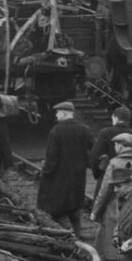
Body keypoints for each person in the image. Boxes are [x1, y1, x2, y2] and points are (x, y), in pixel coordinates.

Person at [36, 98, 92, 236]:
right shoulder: (84, 130)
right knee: (75, 206)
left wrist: (45, 171)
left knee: (57, 208)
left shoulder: (56, 131)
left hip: (59, 177)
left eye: (58, 113)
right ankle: (78, 233)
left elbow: (52, 157)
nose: (56, 115)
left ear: (65, 114)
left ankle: (66, 234)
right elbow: (92, 151)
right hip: (78, 176)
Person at [90, 133, 132, 261]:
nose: (114, 147)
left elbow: (104, 190)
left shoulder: (114, 163)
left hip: (115, 206)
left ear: (120, 146)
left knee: (111, 239)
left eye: (115, 145)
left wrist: (95, 212)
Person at [89, 106, 132, 204]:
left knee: (103, 209)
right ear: (128, 120)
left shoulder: (105, 133)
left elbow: (94, 157)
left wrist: (99, 174)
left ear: (115, 117)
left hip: (108, 181)